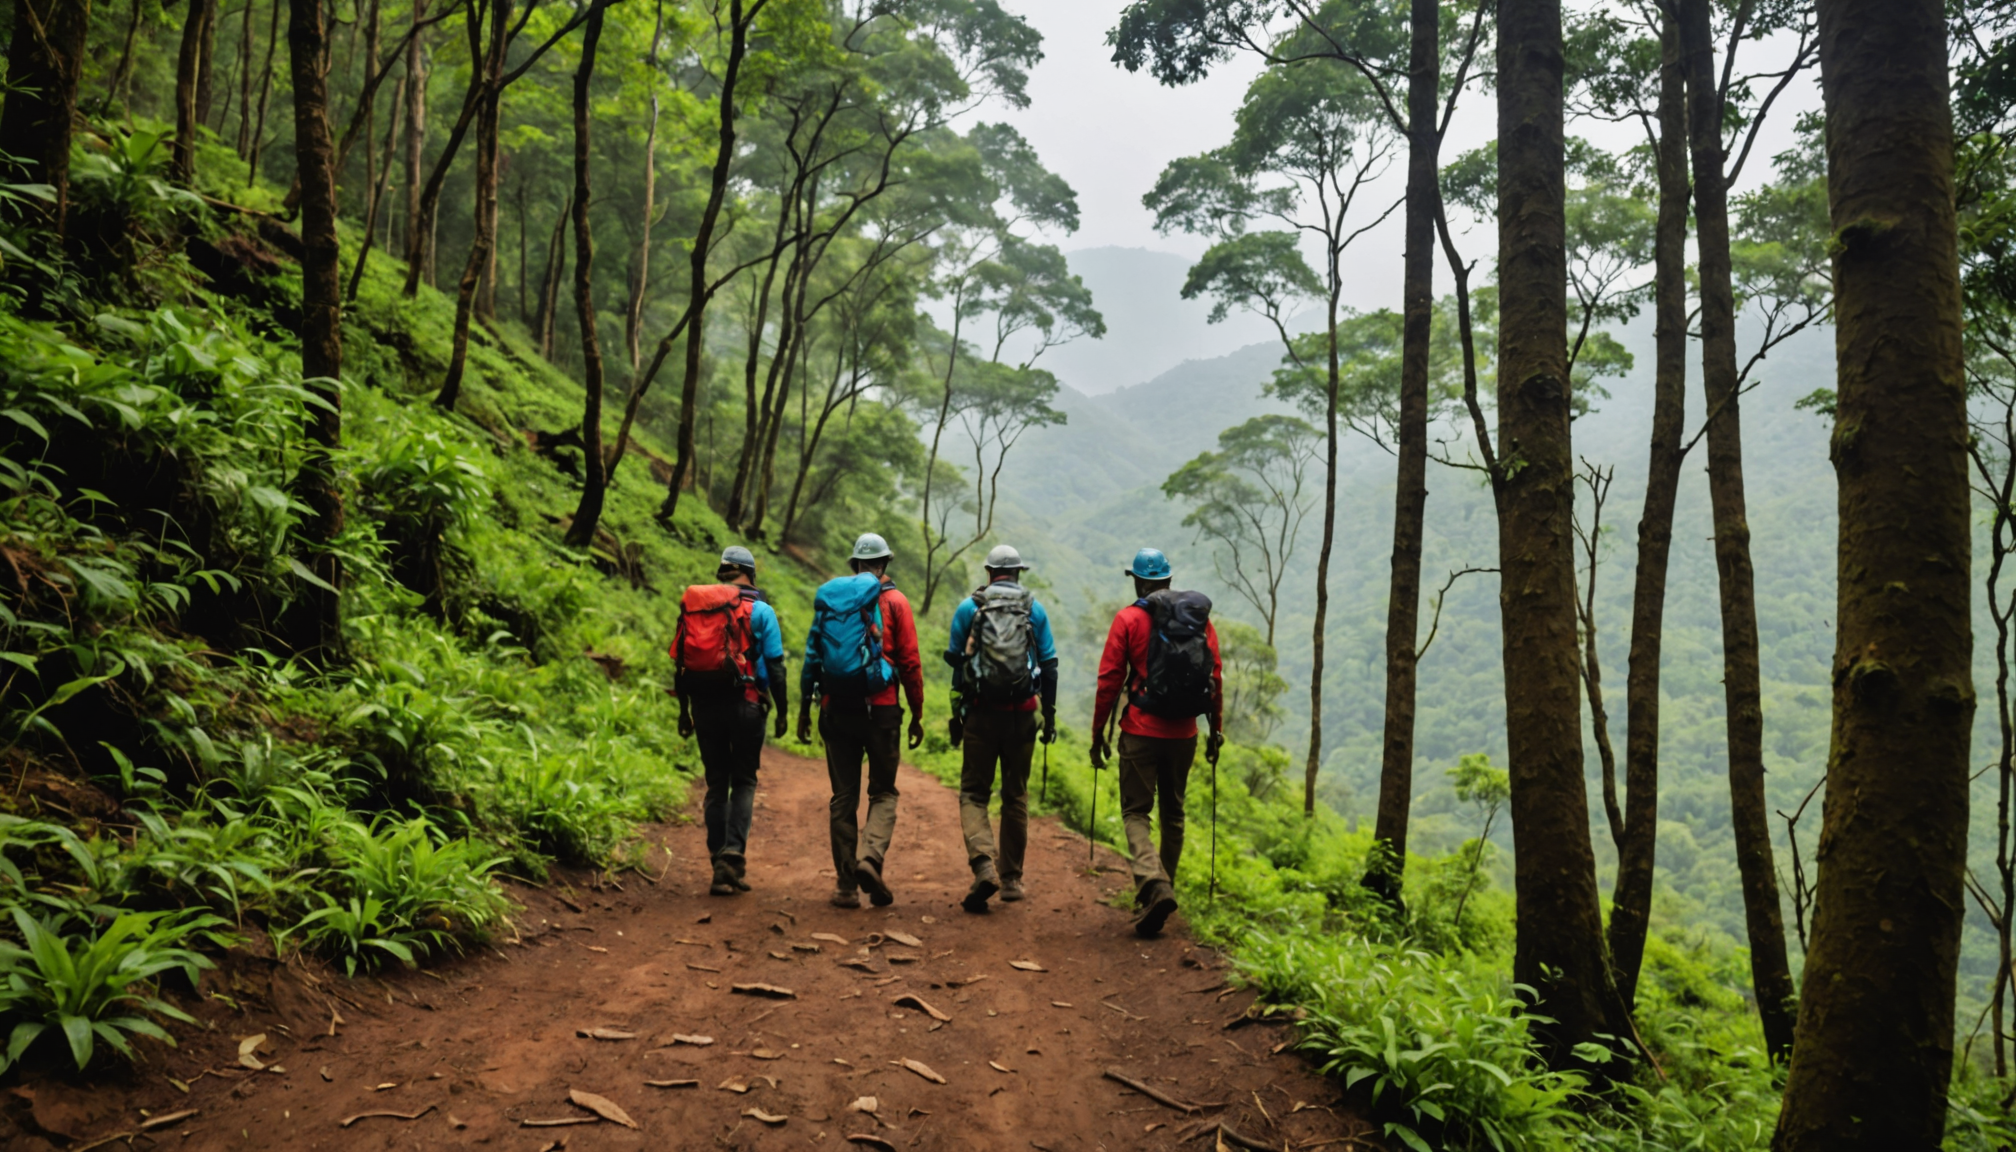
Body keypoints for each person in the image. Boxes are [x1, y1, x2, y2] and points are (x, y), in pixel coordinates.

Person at [1091, 547, 1223, 937]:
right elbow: (1215, 676)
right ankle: (1163, 890)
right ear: (1167, 579)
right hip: (1185, 732)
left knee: (1136, 813)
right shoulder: (1199, 621)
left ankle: (1154, 884)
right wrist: (1216, 728)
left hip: (1140, 730)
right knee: (1174, 814)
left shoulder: (1128, 619)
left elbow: (1109, 681)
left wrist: (1098, 732)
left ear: (1137, 580)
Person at [798, 533, 925, 909]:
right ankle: (869, 858)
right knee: (883, 792)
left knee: (843, 798)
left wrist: (805, 708)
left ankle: (845, 886)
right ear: (884, 564)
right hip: (882, 710)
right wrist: (916, 713)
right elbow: (910, 662)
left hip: (836, 709)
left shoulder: (832, 603)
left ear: (855, 564)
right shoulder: (897, 602)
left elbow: (812, 657)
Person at [945, 544, 1058, 913]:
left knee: (975, 793)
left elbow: (957, 664)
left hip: (980, 713)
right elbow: (1050, 665)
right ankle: (1011, 880)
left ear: (989, 573)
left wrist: (957, 712)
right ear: (1018, 573)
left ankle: (983, 865)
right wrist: (1049, 717)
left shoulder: (969, 608)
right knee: (1016, 795)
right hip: (1023, 714)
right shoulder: (1033, 608)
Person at [674, 545, 787, 897]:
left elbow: (680, 661)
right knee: (743, 781)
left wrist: (684, 711)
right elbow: (775, 666)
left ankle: (716, 860)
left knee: (715, 784)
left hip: (704, 705)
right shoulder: (761, 610)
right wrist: (782, 710)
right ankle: (732, 856)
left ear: (721, 573)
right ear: (750, 575)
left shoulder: (697, 609)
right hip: (747, 705)